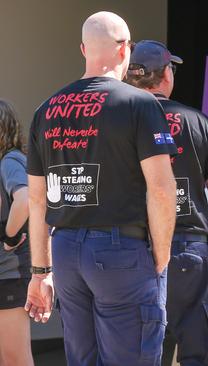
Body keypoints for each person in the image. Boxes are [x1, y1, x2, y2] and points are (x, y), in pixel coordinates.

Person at [25, 12, 177, 365]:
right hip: (121, 249)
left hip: (64, 250)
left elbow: (36, 199)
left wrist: (40, 271)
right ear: (125, 50)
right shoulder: (140, 104)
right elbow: (161, 188)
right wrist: (163, 252)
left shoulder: (46, 110)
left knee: (82, 358)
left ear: (83, 49)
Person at [125, 40, 208, 366]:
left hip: (132, 249)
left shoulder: (116, 121)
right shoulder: (196, 122)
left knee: (143, 351)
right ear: (166, 76)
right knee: (198, 353)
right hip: (189, 251)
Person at [0, 99, 33, 366]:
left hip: (9, 273)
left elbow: (25, 199)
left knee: (15, 358)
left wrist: (9, 236)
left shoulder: (10, 160)